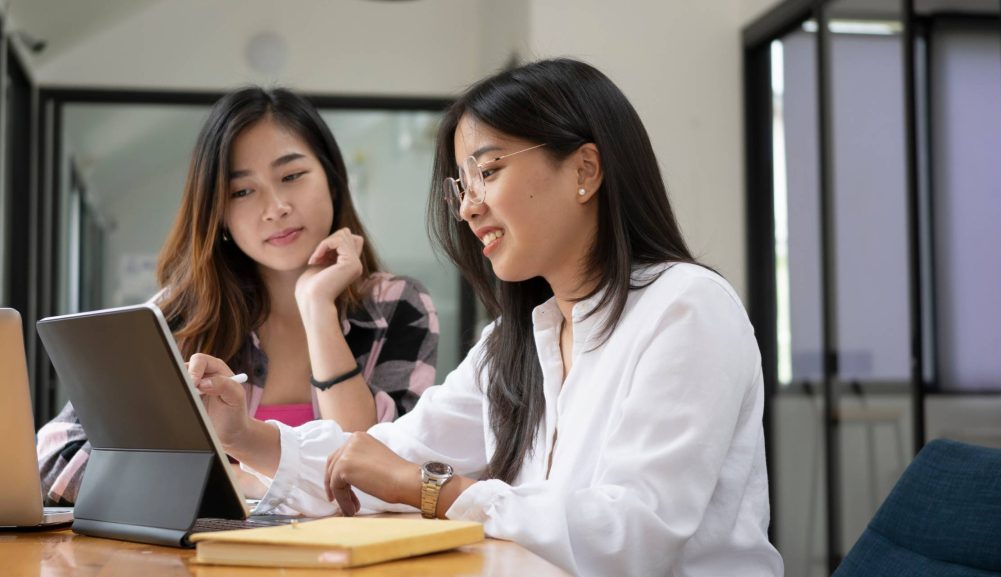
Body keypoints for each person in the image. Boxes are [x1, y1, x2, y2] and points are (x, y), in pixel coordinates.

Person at [190, 59, 784, 576]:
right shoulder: (517, 337)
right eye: (462, 183)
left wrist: (433, 490)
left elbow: (628, 541)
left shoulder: (686, 308)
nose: (469, 207)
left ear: (585, 171)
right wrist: (243, 434)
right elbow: (387, 455)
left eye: (489, 171)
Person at [36, 87, 439, 504]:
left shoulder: (399, 306)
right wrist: (238, 484)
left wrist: (317, 308)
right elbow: (54, 458)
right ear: (219, 214)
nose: (276, 207)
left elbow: (384, 473)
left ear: (333, 181)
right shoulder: (180, 315)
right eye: (242, 192)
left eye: (292, 176)